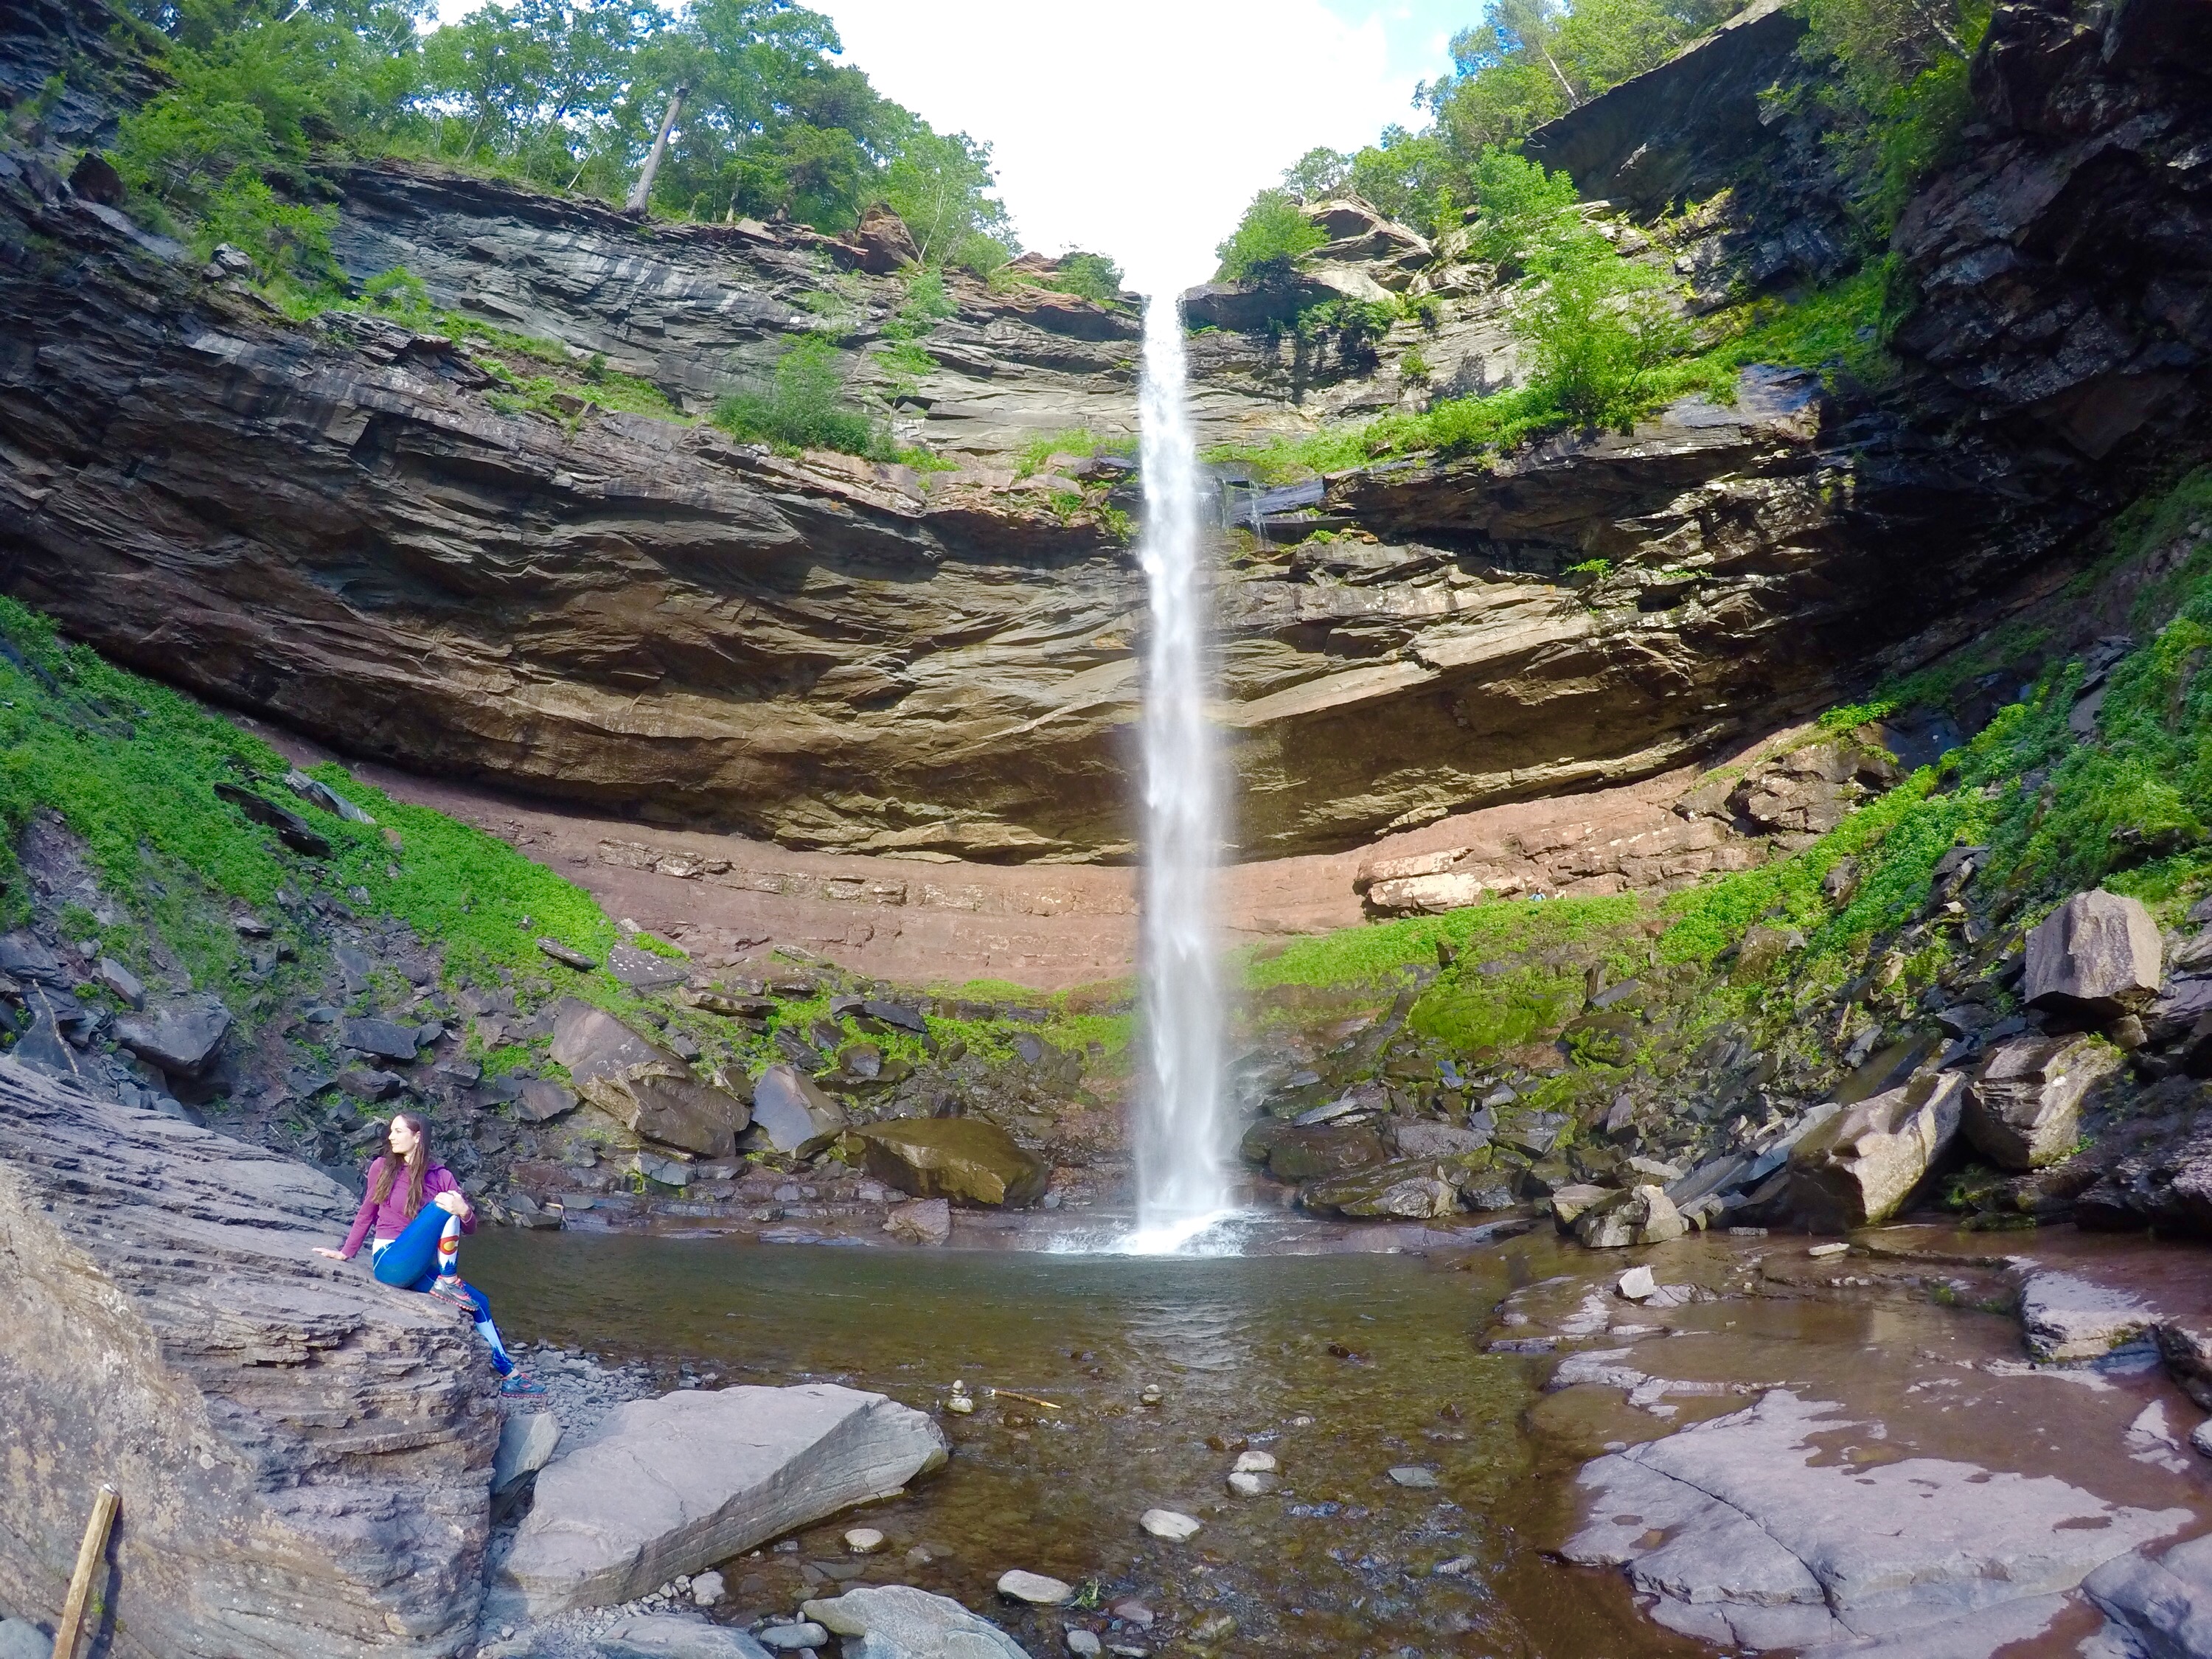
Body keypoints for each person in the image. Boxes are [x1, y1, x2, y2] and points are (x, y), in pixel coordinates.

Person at [316, 1112, 543, 1396]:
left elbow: (470, 1227)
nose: (391, 1137)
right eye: (391, 1131)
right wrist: (346, 1252)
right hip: (390, 1260)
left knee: (479, 1302)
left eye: (398, 1131)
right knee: (445, 1203)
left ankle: (511, 1375)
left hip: (419, 1267)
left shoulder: (441, 1176)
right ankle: (448, 1279)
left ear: (417, 1137)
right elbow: (367, 1213)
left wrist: (465, 1211)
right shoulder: (382, 1167)